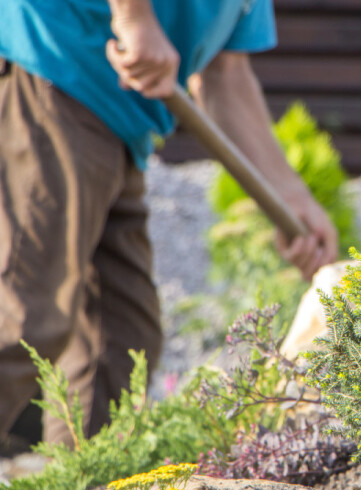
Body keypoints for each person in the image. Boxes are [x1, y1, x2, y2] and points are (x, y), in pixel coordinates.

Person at [0, 0, 338, 447]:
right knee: (25, 317)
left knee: (120, 341)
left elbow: (224, 74)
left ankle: (84, 483)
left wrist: (290, 196)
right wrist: (134, 16)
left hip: (122, 125)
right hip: (54, 68)